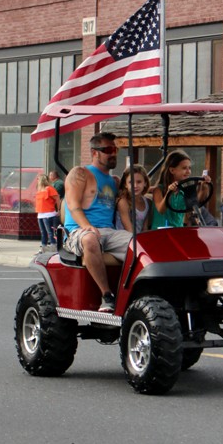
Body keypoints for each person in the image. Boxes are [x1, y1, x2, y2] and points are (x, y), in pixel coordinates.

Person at [63, 132, 132, 313]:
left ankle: (134, 294)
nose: (113, 153)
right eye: (108, 149)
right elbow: (73, 205)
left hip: (109, 232)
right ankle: (107, 296)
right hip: (79, 230)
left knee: (140, 245)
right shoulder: (80, 173)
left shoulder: (115, 181)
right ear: (94, 152)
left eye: (115, 149)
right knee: (90, 239)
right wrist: (87, 226)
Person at [115, 165, 151, 233]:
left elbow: (144, 228)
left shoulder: (147, 202)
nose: (135, 185)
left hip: (139, 238)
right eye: (131, 182)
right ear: (125, 184)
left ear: (145, 183)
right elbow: (129, 229)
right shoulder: (123, 202)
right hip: (126, 238)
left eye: (139, 182)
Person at [35, 174, 60, 252]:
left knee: (50, 231)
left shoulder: (49, 189)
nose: (37, 180)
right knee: (43, 232)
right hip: (40, 214)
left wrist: (58, 210)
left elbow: (57, 198)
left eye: (38, 179)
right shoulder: (39, 190)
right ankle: (44, 246)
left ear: (41, 180)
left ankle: (53, 245)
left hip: (48, 213)